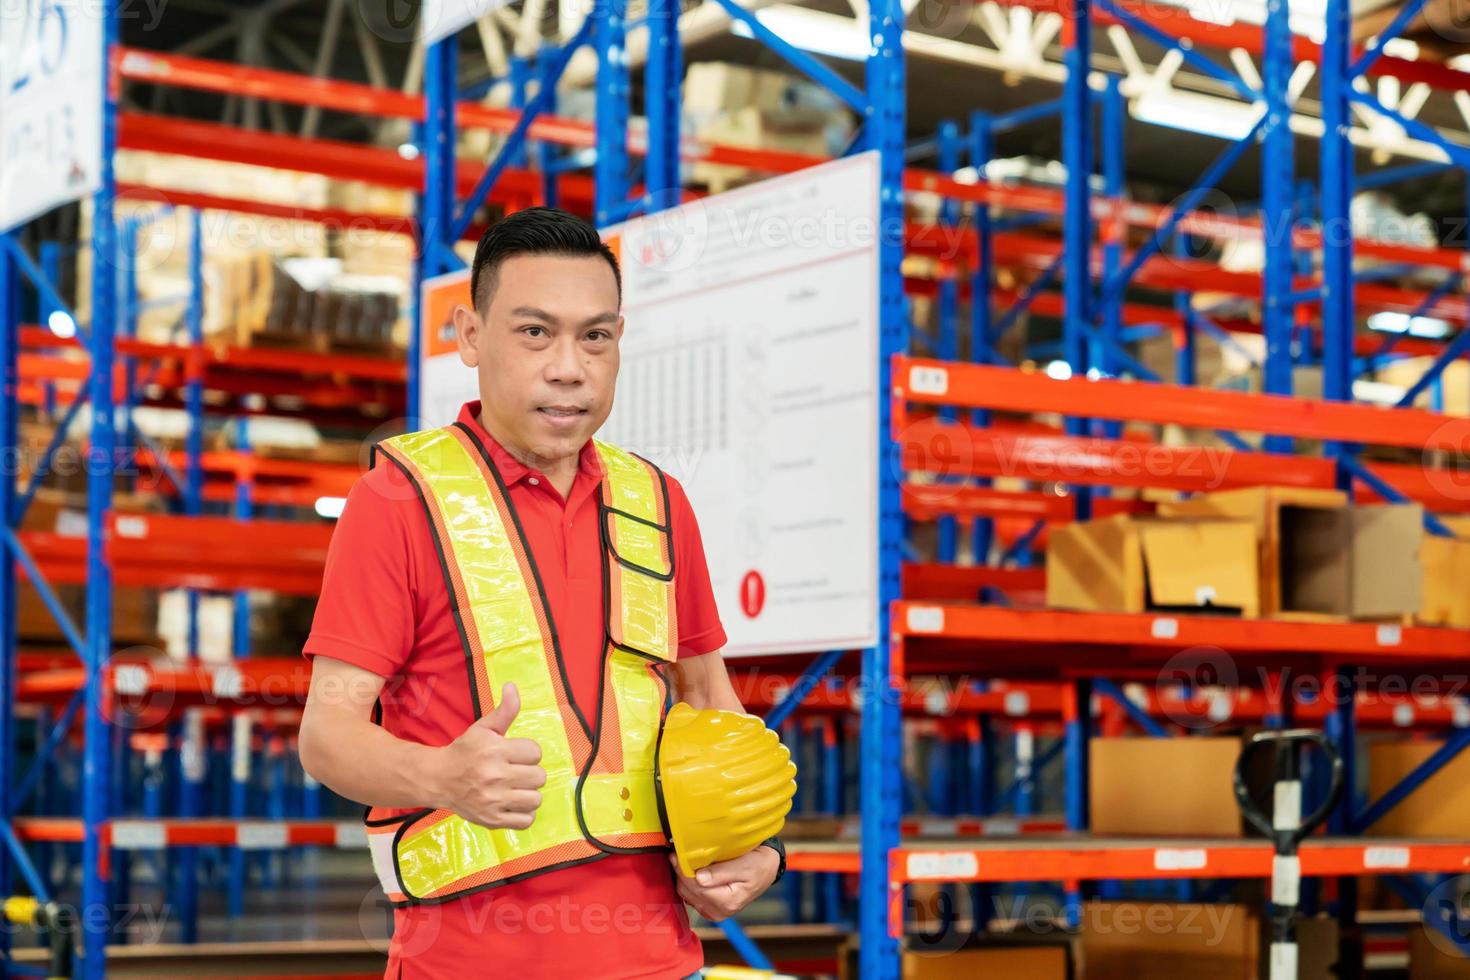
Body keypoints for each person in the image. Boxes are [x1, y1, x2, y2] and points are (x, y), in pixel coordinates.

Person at [298, 207, 783, 980]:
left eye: (596, 336)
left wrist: (760, 848)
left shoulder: (657, 504)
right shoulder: (398, 502)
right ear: (469, 336)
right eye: (535, 333)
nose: (569, 367)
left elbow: (714, 703)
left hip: (663, 963)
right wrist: (441, 777)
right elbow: (326, 736)